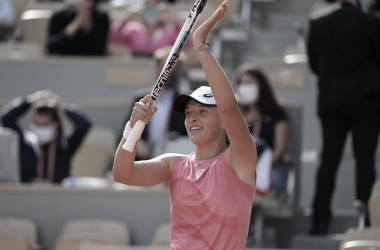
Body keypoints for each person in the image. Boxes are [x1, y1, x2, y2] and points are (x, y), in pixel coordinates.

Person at [113, 1, 257, 248]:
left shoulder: (239, 160)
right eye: (189, 113)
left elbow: (229, 108)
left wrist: (200, 45)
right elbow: (122, 174)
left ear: (223, 123)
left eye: (203, 111)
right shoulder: (174, 165)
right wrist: (132, 129)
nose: (192, 118)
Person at [307, 0, 380, 234]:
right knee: (365, 160)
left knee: (328, 159)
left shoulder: (318, 23)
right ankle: (367, 221)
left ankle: (319, 221)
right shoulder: (371, 22)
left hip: (332, 101)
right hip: (366, 101)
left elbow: (314, 64)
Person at [1, 90, 92, 183]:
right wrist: (30, 100)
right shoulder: (25, 143)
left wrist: (63, 106)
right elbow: (6, 118)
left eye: (45, 124)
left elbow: (84, 124)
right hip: (28, 194)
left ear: (55, 124)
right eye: (36, 124)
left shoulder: (64, 145)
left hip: (58, 195)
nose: (40, 129)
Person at [122, 46, 188, 160]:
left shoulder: (186, 100)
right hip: (145, 159)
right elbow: (127, 128)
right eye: (168, 68)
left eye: (176, 69)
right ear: (156, 68)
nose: (171, 73)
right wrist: (138, 144)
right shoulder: (141, 98)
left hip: (174, 161)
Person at [235, 65, 289, 194]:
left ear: (261, 85)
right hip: (240, 166)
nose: (245, 87)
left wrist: (262, 166)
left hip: (270, 166)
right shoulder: (237, 113)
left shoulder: (277, 113)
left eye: (249, 83)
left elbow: (280, 148)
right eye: (242, 83)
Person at [108, 0, 192, 57]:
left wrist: (172, 19)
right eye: (148, 8)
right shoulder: (133, 30)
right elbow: (114, 38)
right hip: (136, 72)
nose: (151, 12)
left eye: (154, 8)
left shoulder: (169, 31)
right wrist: (127, 16)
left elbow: (187, 44)